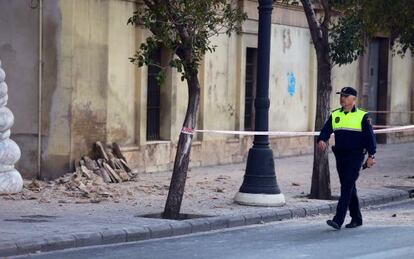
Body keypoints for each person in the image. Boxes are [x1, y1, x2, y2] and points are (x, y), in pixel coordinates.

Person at [317, 86, 376, 230]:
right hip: (340, 156)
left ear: (353, 99)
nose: (342, 98)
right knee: (349, 187)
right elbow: (326, 129)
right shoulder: (336, 114)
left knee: (346, 187)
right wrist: (322, 140)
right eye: (341, 96)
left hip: (355, 157)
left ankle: (338, 219)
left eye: (345, 96)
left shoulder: (363, 116)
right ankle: (356, 218)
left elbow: (370, 138)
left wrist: (371, 156)